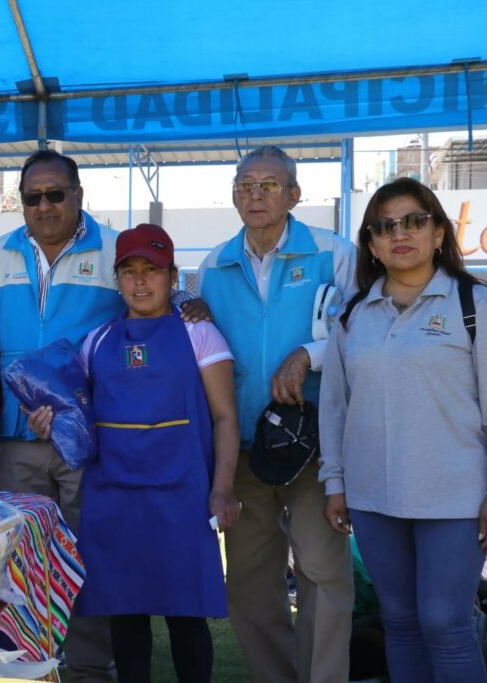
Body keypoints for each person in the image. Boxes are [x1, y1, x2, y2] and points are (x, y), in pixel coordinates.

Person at [0, 149, 206, 682]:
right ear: (21, 203)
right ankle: (26, 669)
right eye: (33, 196)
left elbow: (153, 292)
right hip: (18, 435)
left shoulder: (111, 249)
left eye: (56, 193)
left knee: (88, 562)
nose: (45, 205)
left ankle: (91, 671)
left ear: (78, 195)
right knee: (23, 566)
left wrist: (195, 301)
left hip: (90, 439)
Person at [27, 224, 240, 682]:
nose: (140, 281)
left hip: (183, 494)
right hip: (115, 497)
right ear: (116, 277)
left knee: (186, 614)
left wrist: (222, 488)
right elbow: (73, 416)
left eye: (152, 270)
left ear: (172, 276)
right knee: (126, 615)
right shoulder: (97, 342)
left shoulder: (199, 335)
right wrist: (46, 421)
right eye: (129, 271)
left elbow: (225, 418)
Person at [197, 144, 355, 683]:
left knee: (323, 573)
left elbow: (363, 333)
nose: (255, 194)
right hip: (241, 447)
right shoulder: (213, 265)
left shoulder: (334, 253)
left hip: (315, 447)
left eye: (269, 184)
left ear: (294, 194)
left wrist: (308, 354)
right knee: (248, 583)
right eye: (245, 184)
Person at [319, 177, 487, 682]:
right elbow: (335, 408)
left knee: (446, 622)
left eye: (415, 220)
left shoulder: (473, 304)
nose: (401, 233)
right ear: (371, 244)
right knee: (401, 623)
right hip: (372, 497)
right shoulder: (352, 315)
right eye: (385, 226)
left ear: (439, 232)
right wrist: (335, 482)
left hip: (454, 496)